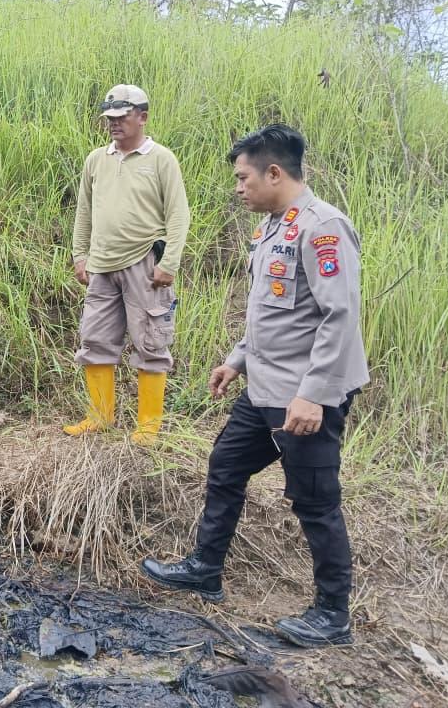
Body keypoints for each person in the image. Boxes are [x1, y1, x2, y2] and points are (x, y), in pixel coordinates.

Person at [140, 123, 369, 648]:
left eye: (244, 178)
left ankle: (333, 614)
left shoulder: (323, 228)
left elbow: (339, 316)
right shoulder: (273, 226)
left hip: (304, 395)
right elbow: (270, 310)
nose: (238, 187)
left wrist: (314, 394)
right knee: (225, 466)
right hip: (264, 387)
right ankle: (205, 568)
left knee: (315, 501)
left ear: (273, 172)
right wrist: (237, 360)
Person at [66, 85, 190, 444]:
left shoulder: (161, 159)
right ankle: (100, 417)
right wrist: (80, 254)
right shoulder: (97, 159)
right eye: (110, 119)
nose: (114, 124)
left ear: (143, 117)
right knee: (94, 339)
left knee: (150, 342)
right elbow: (84, 211)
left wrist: (169, 263)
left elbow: (178, 215)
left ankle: (148, 425)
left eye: (122, 118)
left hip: (145, 263)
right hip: (102, 265)